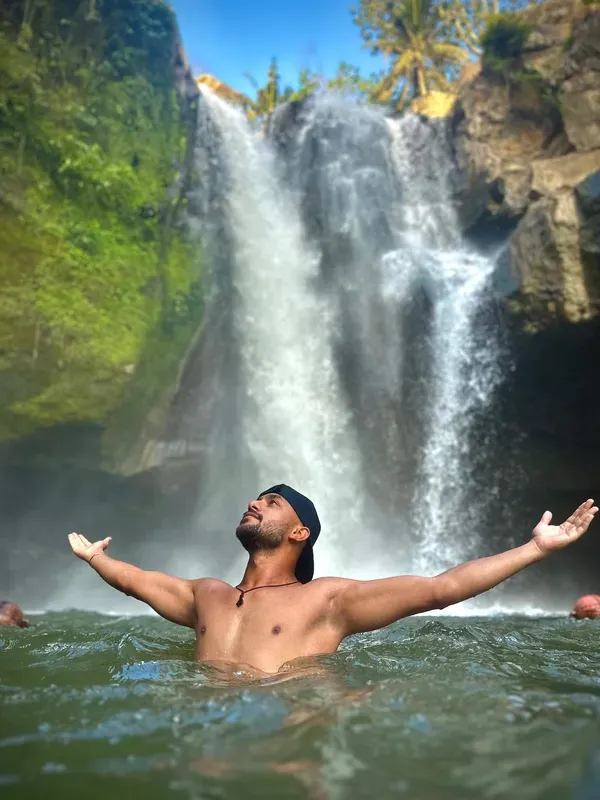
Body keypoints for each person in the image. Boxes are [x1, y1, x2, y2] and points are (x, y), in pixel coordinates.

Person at [67, 485, 598, 674]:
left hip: (287, 731)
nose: (254, 502)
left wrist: (534, 549)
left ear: (299, 532)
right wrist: (95, 559)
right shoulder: (205, 594)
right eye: (256, 498)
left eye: (271, 502)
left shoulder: (328, 600)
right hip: (209, 735)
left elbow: (442, 589)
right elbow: (137, 581)